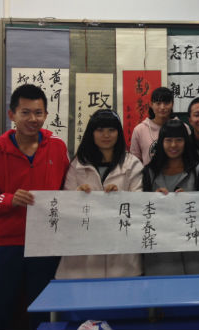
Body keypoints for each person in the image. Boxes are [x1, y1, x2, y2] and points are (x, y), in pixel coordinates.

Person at [0, 84, 70, 330]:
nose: (32, 119)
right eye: (25, 112)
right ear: (12, 115)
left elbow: (68, 189)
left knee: (46, 316)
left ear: (46, 115)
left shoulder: (57, 147)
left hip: (45, 245)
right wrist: (9, 200)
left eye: (38, 113)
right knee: (0, 315)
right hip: (5, 247)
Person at [55, 109, 143, 279]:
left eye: (111, 130)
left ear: (119, 133)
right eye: (100, 130)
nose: (106, 135)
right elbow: (65, 206)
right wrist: (77, 196)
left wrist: (120, 197)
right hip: (83, 255)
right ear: (91, 133)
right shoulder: (78, 164)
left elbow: (139, 203)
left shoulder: (132, 164)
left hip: (121, 254)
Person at [142, 120, 199, 275]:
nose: (173, 145)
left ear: (186, 142)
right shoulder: (149, 172)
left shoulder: (198, 170)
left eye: (179, 140)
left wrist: (192, 201)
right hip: (160, 249)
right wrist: (153, 200)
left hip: (193, 247)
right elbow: (140, 212)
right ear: (161, 143)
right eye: (168, 140)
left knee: (195, 287)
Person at [130, 87, 186, 165]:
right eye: (158, 103)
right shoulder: (139, 130)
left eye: (166, 103)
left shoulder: (183, 127)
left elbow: (187, 155)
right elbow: (135, 161)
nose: (162, 107)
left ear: (172, 104)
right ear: (151, 104)